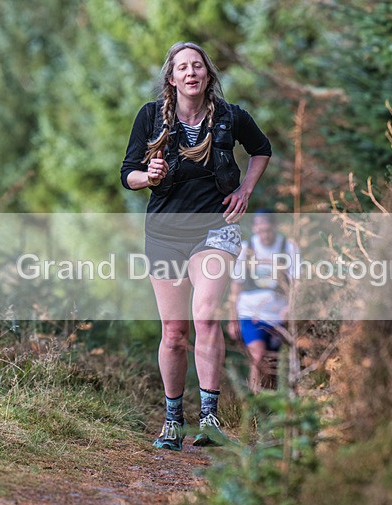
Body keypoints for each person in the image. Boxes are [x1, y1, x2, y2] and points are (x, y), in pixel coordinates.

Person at [120, 42, 271, 451]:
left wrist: (245, 190)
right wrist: (147, 176)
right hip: (165, 234)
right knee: (173, 332)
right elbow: (127, 174)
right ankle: (173, 420)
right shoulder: (150, 117)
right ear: (171, 78)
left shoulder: (229, 116)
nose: (191, 73)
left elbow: (262, 149)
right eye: (182, 67)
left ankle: (209, 418)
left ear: (207, 75)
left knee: (205, 318)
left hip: (215, 230)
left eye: (197, 66)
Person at [228, 210, 299, 392]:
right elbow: (236, 287)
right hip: (250, 313)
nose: (265, 234)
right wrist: (232, 318)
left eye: (268, 229)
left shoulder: (288, 247)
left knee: (274, 363)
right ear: (254, 228)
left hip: (278, 315)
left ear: (274, 227)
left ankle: (274, 407)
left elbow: (296, 283)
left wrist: (290, 308)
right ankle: (254, 405)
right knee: (257, 357)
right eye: (261, 230)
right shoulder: (246, 249)